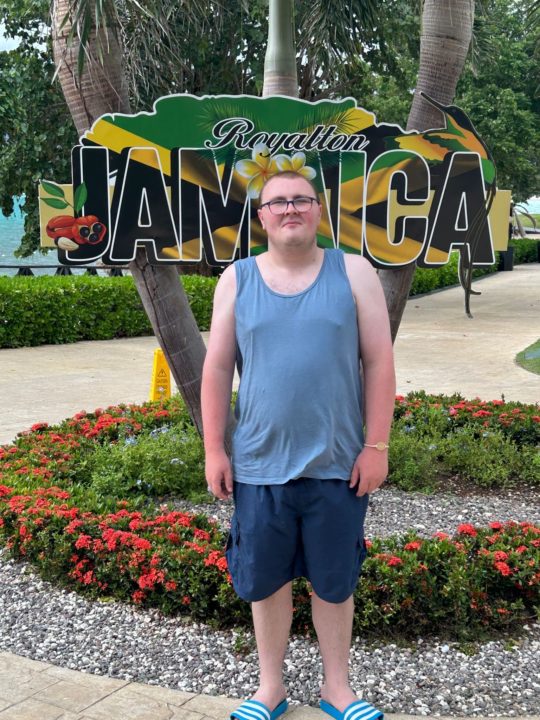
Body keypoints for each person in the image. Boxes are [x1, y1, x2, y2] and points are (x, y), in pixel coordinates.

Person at [201, 170, 395, 720]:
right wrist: (215, 449)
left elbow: (379, 362)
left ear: (318, 210)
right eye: (278, 202)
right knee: (266, 582)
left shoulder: (354, 272)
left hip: (337, 464)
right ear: (261, 216)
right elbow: (216, 369)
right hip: (259, 466)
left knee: (334, 584)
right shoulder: (236, 280)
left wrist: (376, 445)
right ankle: (270, 688)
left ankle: (338, 689)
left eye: (301, 200)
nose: (290, 209)